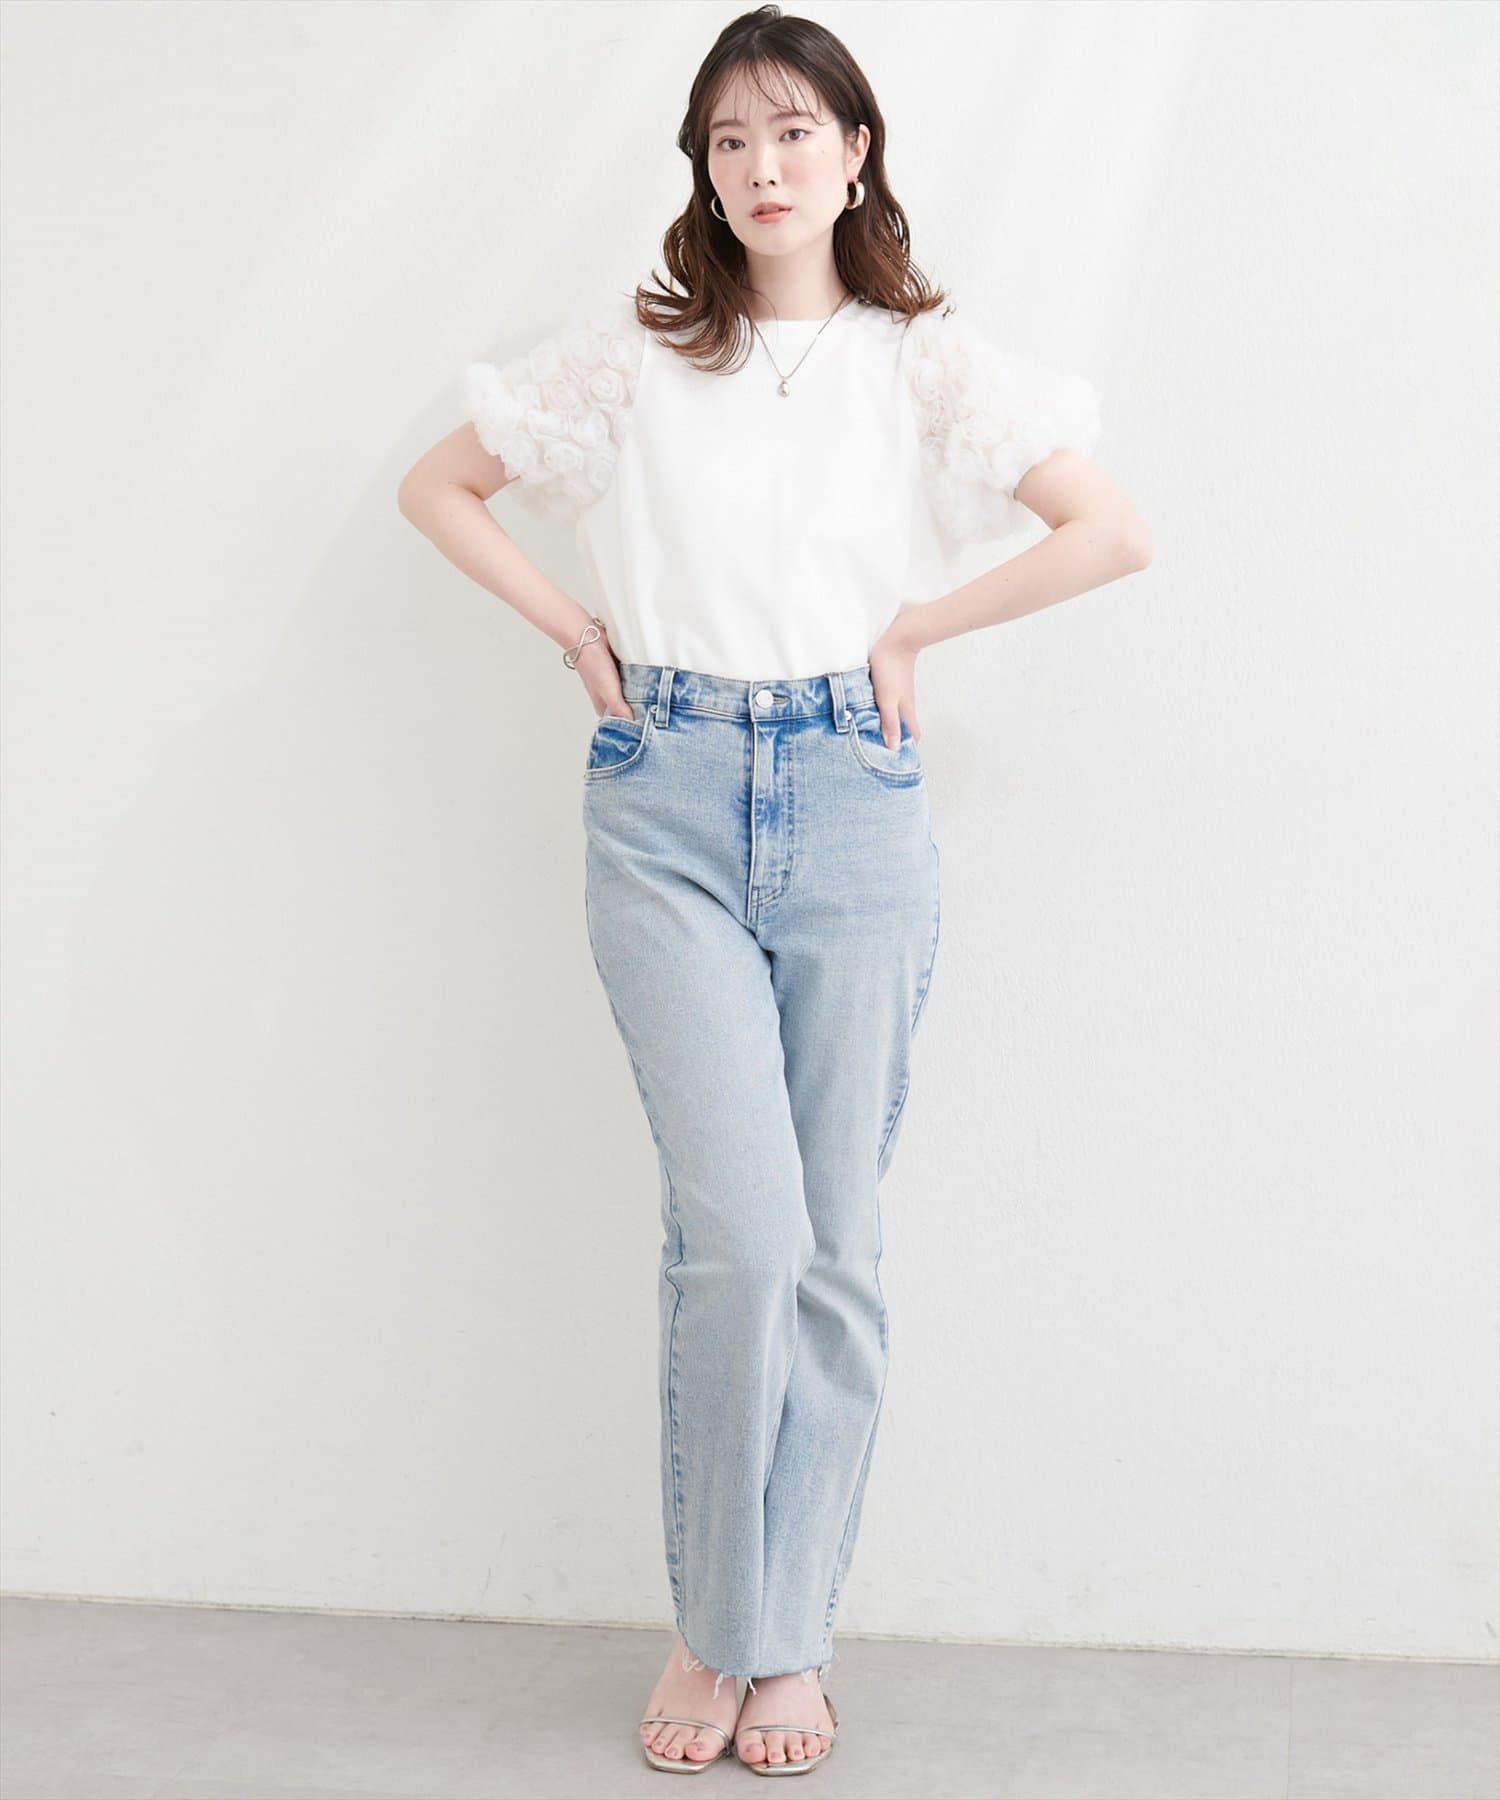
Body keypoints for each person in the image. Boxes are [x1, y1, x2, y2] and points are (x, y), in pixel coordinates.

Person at [397, 4, 1151, 1777]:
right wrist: (578, 631)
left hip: (851, 798)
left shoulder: (921, 364)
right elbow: (441, 488)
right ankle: (715, 1628)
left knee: (833, 1248)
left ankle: (786, 1642)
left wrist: (914, 631)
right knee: (736, 1238)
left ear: (856, 152)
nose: (762, 166)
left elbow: (1111, 528)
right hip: (662, 796)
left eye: (794, 131)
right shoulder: (636, 356)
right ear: (703, 166)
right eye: (730, 139)